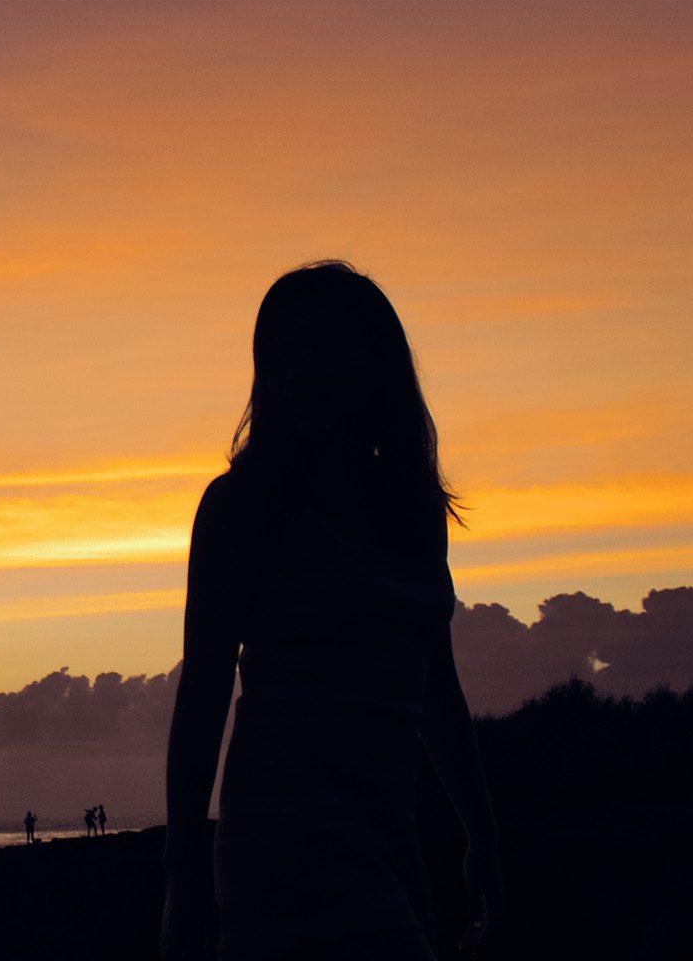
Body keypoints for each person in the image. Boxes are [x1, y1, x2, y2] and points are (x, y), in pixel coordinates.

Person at [161, 262, 502, 961]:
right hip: (282, 845)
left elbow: (436, 686)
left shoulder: (411, 510)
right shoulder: (240, 509)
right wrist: (184, 874)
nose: (306, 369)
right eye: (287, 350)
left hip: (389, 834)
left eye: (328, 344)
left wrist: (482, 833)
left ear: (376, 361)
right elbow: (203, 695)